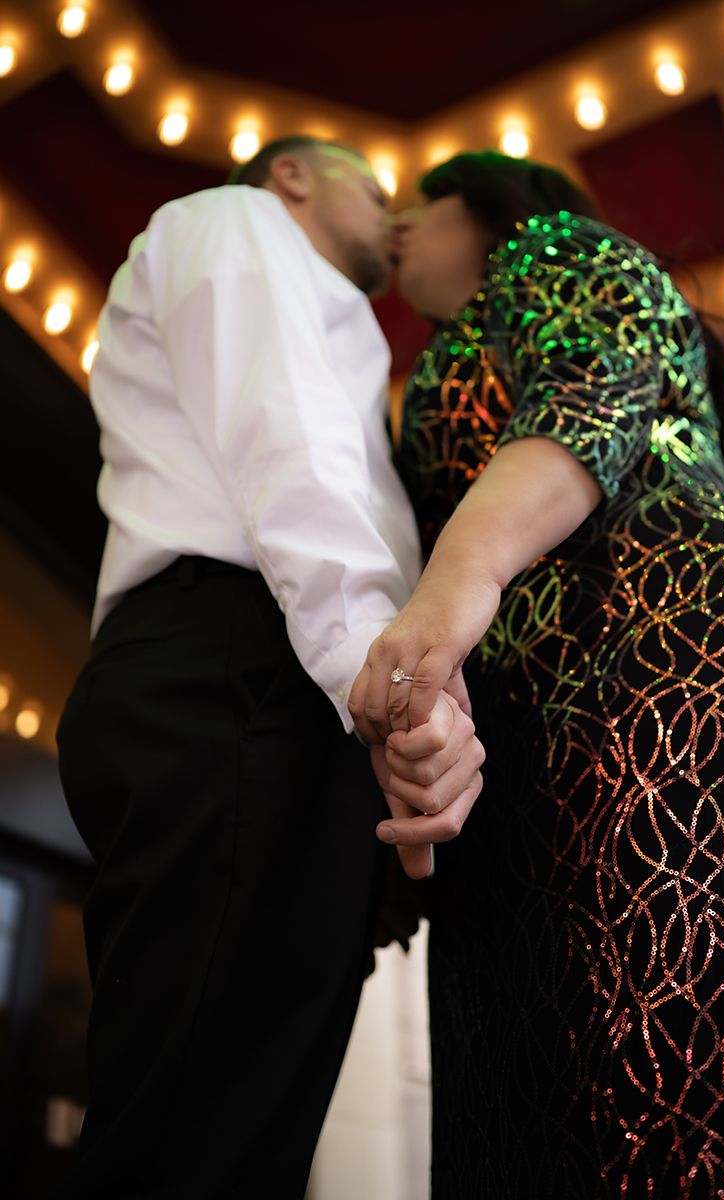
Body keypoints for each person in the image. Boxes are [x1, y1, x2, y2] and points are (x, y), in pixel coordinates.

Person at [350, 150, 724, 1197]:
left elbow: (593, 386)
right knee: (531, 1085)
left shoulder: (556, 252)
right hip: (531, 736)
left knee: (681, 1055)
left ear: (490, 208)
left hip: (666, 666)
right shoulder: (451, 347)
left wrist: (449, 594)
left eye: (420, 202)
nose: (399, 224)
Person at [54, 135, 483, 1200]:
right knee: (195, 1128)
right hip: (234, 665)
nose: (390, 209)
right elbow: (289, 449)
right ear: (291, 175)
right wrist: (385, 691)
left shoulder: (323, 315)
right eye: (371, 181)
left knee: (243, 1117)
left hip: (271, 676)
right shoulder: (234, 223)